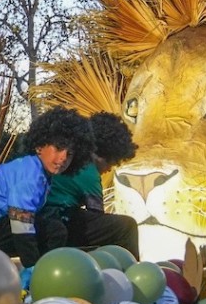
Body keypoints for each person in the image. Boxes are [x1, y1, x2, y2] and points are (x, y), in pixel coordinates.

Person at [0, 106, 95, 270]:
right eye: (58, 148)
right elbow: (21, 228)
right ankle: (44, 274)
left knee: (53, 226)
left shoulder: (37, 169)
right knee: (54, 231)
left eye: (70, 154)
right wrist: (33, 269)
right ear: (39, 147)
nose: (63, 157)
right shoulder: (31, 176)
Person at [41, 111, 140, 258]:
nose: (108, 170)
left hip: (36, 217)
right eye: (110, 163)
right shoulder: (88, 170)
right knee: (126, 226)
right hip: (56, 219)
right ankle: (129, 271)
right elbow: (97, 216)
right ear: (99, 155)